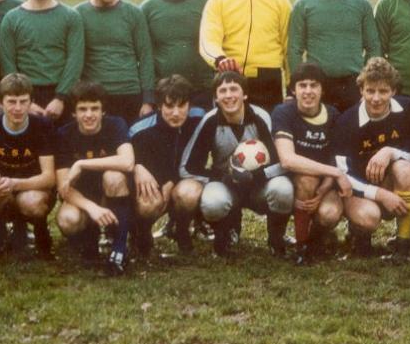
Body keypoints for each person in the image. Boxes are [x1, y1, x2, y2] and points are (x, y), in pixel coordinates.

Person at [180, 71, 294, 257]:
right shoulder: (209, 121)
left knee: (283, 189)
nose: (229, 95)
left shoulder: (260, 117)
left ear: (245, 94)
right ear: (216, 97)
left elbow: (283, 162)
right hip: (227, 185)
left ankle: (276, 238)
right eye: (222, 90)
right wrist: (223, 177)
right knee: (212, 202)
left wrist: (256, 176)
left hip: (259, 186)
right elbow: (187, 167)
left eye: (234, 89)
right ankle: (224, 235)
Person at [332, 57, 410, 260]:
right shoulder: (346, 121)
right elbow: (342, 173)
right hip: (358, 189)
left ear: (393, 91)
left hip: (391, 182)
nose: (376, 98)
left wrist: (390, 151)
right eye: (370, 91)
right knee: (368, 217)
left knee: (405, 169)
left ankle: (403, 244)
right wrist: (380, 194)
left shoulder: (407, 109)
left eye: (383, 91)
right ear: (361, 90)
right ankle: (358, 235)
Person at [199, 0, 292, 110]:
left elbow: (289, 45)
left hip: (269, 79)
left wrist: (291, 85)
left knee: (267, 134)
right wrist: (220, 60)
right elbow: (207, 40)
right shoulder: (217, 0)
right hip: (230, 77)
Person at [287, 0, 381, 113]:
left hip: (354, 87)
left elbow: (374, 47)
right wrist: (298, 86)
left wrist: (367, 82)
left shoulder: (362, 4)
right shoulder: (304, 4)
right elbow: (294, 50)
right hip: (318, 87)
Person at [273, 63, 352, 265]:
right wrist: (334, 172)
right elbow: (288, 160)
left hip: (326, 181)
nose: (308, 91)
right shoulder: (283, 112)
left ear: (322, 89)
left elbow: (337, 158)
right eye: (302, 85)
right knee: (307, 180)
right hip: (293, 180)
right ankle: (302, 246)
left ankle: (318, 238)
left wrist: (323, 190)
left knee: (329, 213)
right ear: (293, 90)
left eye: (314, 85)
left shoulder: (334, 115)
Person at [54, 81, 134, 276]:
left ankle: (119, 247)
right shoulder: (64, 135)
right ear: (73, 113)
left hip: (111, 192)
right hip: (83, 198)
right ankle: (87, 240)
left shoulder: (116, 124)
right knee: (67, 219)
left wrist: (81, 164)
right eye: (82, 109)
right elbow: (63, 187)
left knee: (113, 176)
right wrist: (91, 208)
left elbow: (128, 162)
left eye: (94, 108)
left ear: (103, 110)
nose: (89, 115)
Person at [0, 73, 56, 260]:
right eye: (11, 102)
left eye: (23, 101)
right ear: (0, 103)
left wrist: (14, 183)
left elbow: (49, 177)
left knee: (30, 202)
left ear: (31, 102)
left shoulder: (43, 126)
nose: (18, 108)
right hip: (6, 188)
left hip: (36, 190)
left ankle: (40, 230)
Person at [0, 0, 84, 126]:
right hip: (24, 97)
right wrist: (25, 102)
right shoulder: (11, 18)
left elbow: (75, 61)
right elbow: (8, 64)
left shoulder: (71, 16)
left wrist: (60, 98)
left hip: (62, 94)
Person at [129, 75, 206, 255]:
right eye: (169, 106)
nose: (176, 113)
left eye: (181, 105)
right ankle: (141, 232)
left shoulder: (199, 119)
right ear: (159, 106)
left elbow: (199, 162)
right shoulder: (139, 130)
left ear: (189, 104)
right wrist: (137, 167)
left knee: (188, 194)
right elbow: (127, 158)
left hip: (183, 180)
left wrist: (172, 181)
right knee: (148, 204)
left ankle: (181, 230)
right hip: (154, 184)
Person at [76, 0, 155, 125]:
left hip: (129, 95)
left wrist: (148, 100)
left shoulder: (134, 13)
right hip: (95, 97)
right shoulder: (77, 14)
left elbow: (145, 56)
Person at [141, 0, 213, 108]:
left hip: (203, 91)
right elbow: (144, 57)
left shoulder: (210, 2)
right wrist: (149, 96)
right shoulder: (147, 8)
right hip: (164, 94)